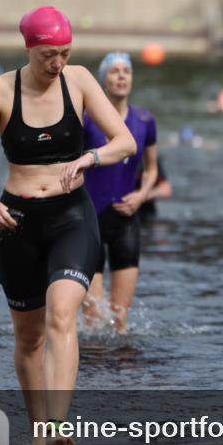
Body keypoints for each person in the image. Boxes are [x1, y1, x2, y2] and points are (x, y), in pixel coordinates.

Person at [0, 7, 136, 445]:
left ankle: (58, 425)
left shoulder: (79, 81)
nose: (57, 64)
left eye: (65, 53)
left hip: (71, 217)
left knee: (62, 314)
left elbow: (125, 142)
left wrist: (90, 158)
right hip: (15, 222)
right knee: (29, 337)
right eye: (47, 56)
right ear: (28, 49)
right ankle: (39, 433)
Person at [81, 52, 160, 334]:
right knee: (92, 317)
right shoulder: (86, 119)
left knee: (119, 319)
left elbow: (152, 169)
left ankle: (121, 361)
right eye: (114, 71)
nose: (122, 76)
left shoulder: (144, 120)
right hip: (90, 220)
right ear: (103, 80)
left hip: (126, 221)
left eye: (126, 71)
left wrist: (141, 195)